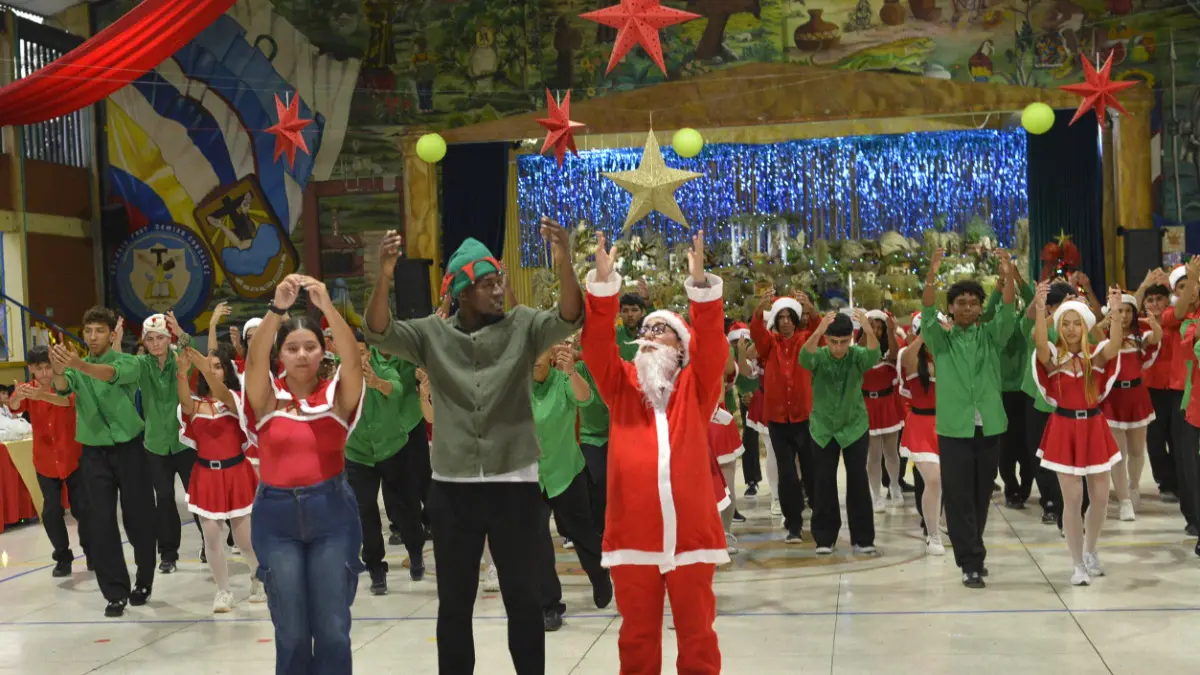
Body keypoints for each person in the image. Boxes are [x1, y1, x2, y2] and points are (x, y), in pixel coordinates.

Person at [364, 221, 582, 675]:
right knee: (455, 604)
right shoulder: (431, 335)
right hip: (452, 489)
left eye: (499, 280)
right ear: (462, 292)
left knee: (523, 599)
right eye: (488, 284)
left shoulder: (523, 327)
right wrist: (383, 276)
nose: (499, 290)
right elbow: (380, 331)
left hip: (515, 486)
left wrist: (565, 264)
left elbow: (569, 317)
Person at [581, 229, 727, 675]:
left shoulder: (695, 389)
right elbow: (597, 347)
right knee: (637, 640)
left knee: (698, 637)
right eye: (644, 331)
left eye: (660, 332)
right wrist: (605, 288)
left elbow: (714, 350)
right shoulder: (621, 386)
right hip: (633, 538)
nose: (647, 336)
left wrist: (701, 289)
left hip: (691, 539)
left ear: (682, 349)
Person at [241, 275, 364, 674]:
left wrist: (327, 306)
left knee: (331, 629)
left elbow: (351, 356)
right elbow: (254, 358)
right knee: (290, 631)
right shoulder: (265, 398)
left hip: (332, 515)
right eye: (292, 349)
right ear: (281, 356)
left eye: (310, 347)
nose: (301, 355)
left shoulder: (336, 397)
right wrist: (276, 310)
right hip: (275, 520)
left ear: (321, 350)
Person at [50, 307, 155, 617]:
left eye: (98, 331)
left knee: (138, 518)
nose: (92, 337)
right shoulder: (75, 367)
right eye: (88, 331)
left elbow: (107, 375)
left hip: (130, 449)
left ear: (112, 335)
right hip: (94, 454)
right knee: (100, 523)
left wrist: (77, 364)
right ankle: (115, 592)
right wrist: (58, 368)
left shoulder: (128, 362)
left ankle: (144, 581)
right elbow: (60, 386)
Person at [920, 249, 1016, 589]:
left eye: (973, 302)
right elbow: (927, 312)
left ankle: (973, 548)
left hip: (989, 425)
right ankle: (971, 562)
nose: (967, 308)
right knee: (959, 495)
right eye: (960, 302)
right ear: (952, 307)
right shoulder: (940, 341)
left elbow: (1006, 311)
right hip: (954, 428)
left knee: (980, 494)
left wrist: (1008, 273)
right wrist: (932, 273)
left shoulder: (991, 336)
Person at [1033, 286, 1123, 586]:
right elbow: (1040, 342)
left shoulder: (1095, 357)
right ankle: (1076, 564)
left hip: (1094, 428)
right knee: (1072, 500)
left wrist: (1115, 310)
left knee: (1100, 500)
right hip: (1063, 429)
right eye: (1065, 323)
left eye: (1076, 323)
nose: (1071, 329)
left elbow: (1115, 346)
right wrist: (1041, 306)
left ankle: (1090, 550)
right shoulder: (1052, 358)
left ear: (1085, 326)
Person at [175, 346, 264, 612]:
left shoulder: (236, 400)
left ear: (226, 370)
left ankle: (258, 577)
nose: (212, 369)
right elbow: (185, 403)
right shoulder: (196, 403)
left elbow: (225, 395)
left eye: (218, 365)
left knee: (244, 540)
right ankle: (223, 591)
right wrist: (181, 373)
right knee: (211, 536)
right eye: (209, 366)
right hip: (205, 476)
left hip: (237, 473)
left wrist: (203, 367)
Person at [532, 342, 612, 631]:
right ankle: (549, 604)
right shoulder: (518, 387)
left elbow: (585, 398)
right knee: (536, 538)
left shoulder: (563, 380)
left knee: (582, 533)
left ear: (551, 355)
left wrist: (571, 374)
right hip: (533, 476)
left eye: (537, 353)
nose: (532, 361)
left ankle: (600, 575)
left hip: (567, 472)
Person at [343, 329, 428, 596]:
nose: (358, 358)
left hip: (394, 449)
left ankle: (415, 552)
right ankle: (375, 568)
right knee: (365, 512)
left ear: (369, 353)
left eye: (362, 353)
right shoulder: (338, 377)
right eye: (352, 354)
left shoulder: (384, 367)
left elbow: (397, 388)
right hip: (358, 455)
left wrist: (376, 382)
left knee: (406, 508)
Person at [121, 312, 195, 574]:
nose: (155, 343)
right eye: (150, 339)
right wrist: (117, 342)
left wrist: (181, 331)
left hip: (185, 441)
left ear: (168, 339)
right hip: (155, 445)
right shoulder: (142, 365)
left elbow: (193, 350)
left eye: (160, 338)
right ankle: (168, 553)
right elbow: (121, 366)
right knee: (163, 499)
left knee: (196, 496)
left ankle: (211, 544)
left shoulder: (180, 360)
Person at [800, 310, 879, 556]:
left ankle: (863, 538)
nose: (838, 347)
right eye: (833, 342)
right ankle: (824, 537)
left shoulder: (856, 356)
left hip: (854, 427)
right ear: (826, 340)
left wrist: (867, 329)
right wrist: (818, 330)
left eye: (844, 342)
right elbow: (804, 358)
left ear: (851, 340)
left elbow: (874, 354)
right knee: (823, 481)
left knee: (858, 480)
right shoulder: (819, 356)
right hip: (823, 429)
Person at [8, 345, 90, 576]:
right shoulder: (28, 389)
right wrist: (18, 397)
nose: (45, 373)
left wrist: (42, 395)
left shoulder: (65, 385)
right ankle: (62, 556)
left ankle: (92, 551)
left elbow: (67, 402)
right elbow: (14, 407)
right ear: (31, 369)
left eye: (48, 368)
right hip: (44, 462)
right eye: (39, 369)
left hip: (74, 458)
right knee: (51, 511)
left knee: (82, 509)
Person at [750, 291, 818, 543]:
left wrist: (811, 309)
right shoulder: (770, 344)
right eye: (781, 317)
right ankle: (794, 525)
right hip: (778, 421)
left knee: (811, 472)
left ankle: (819, 518)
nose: (786, 321)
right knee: (787, 474)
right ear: (776, 321)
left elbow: (820, 335)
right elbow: (757, 333)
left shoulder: (805, 339)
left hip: (804, 418)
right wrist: (759, 310)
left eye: (790, 317)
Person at [1099, 291, 1161, 521]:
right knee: (1118, 453)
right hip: (1112, 399)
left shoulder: (1140, 336)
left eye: (1127, 311)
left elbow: (1155, 339)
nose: (1123, 315)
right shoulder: (1106, 337)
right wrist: (1108, 317)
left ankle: (1133, 488)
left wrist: (1155, 325)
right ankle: (1123, 500)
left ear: (1134, 314)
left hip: (1137, 397)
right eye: (1119, 310)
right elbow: (1093, 333)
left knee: (1136, 450)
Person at [898, 311, 947, 555]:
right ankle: (933, 533)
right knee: (934, 479)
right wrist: (921, 336)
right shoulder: (909, 356)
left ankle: (945, 522)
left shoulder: (948, 353)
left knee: (949, 480)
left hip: (949, 424)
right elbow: (905, 359)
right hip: (920, 425)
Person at [1136, 270, 1179, 502]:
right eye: (1150, 300)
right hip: (1150, 389)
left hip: (1175, 388)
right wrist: (1144, 285)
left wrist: (1171, 287)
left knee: (1177, 437)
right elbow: (1130, 308)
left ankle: (1182, 481)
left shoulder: (1175, 318)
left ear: (1167, 300)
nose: (1154, 304)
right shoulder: (1141, 325)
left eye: (1159, 299)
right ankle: (1165, 482)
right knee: (1155, 438)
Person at [860, 310, 905, 512]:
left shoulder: (890, 350)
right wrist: (866, 331)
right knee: (874, 454)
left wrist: (891, 331)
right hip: (868, 405)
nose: (876, 331)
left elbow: (895, 355)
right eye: (874, 327)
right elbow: (859, 351)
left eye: (879, 327)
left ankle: (894, 486)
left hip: (888, 404)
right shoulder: (860, 350)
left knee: (891, 451)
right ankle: (875, 494)